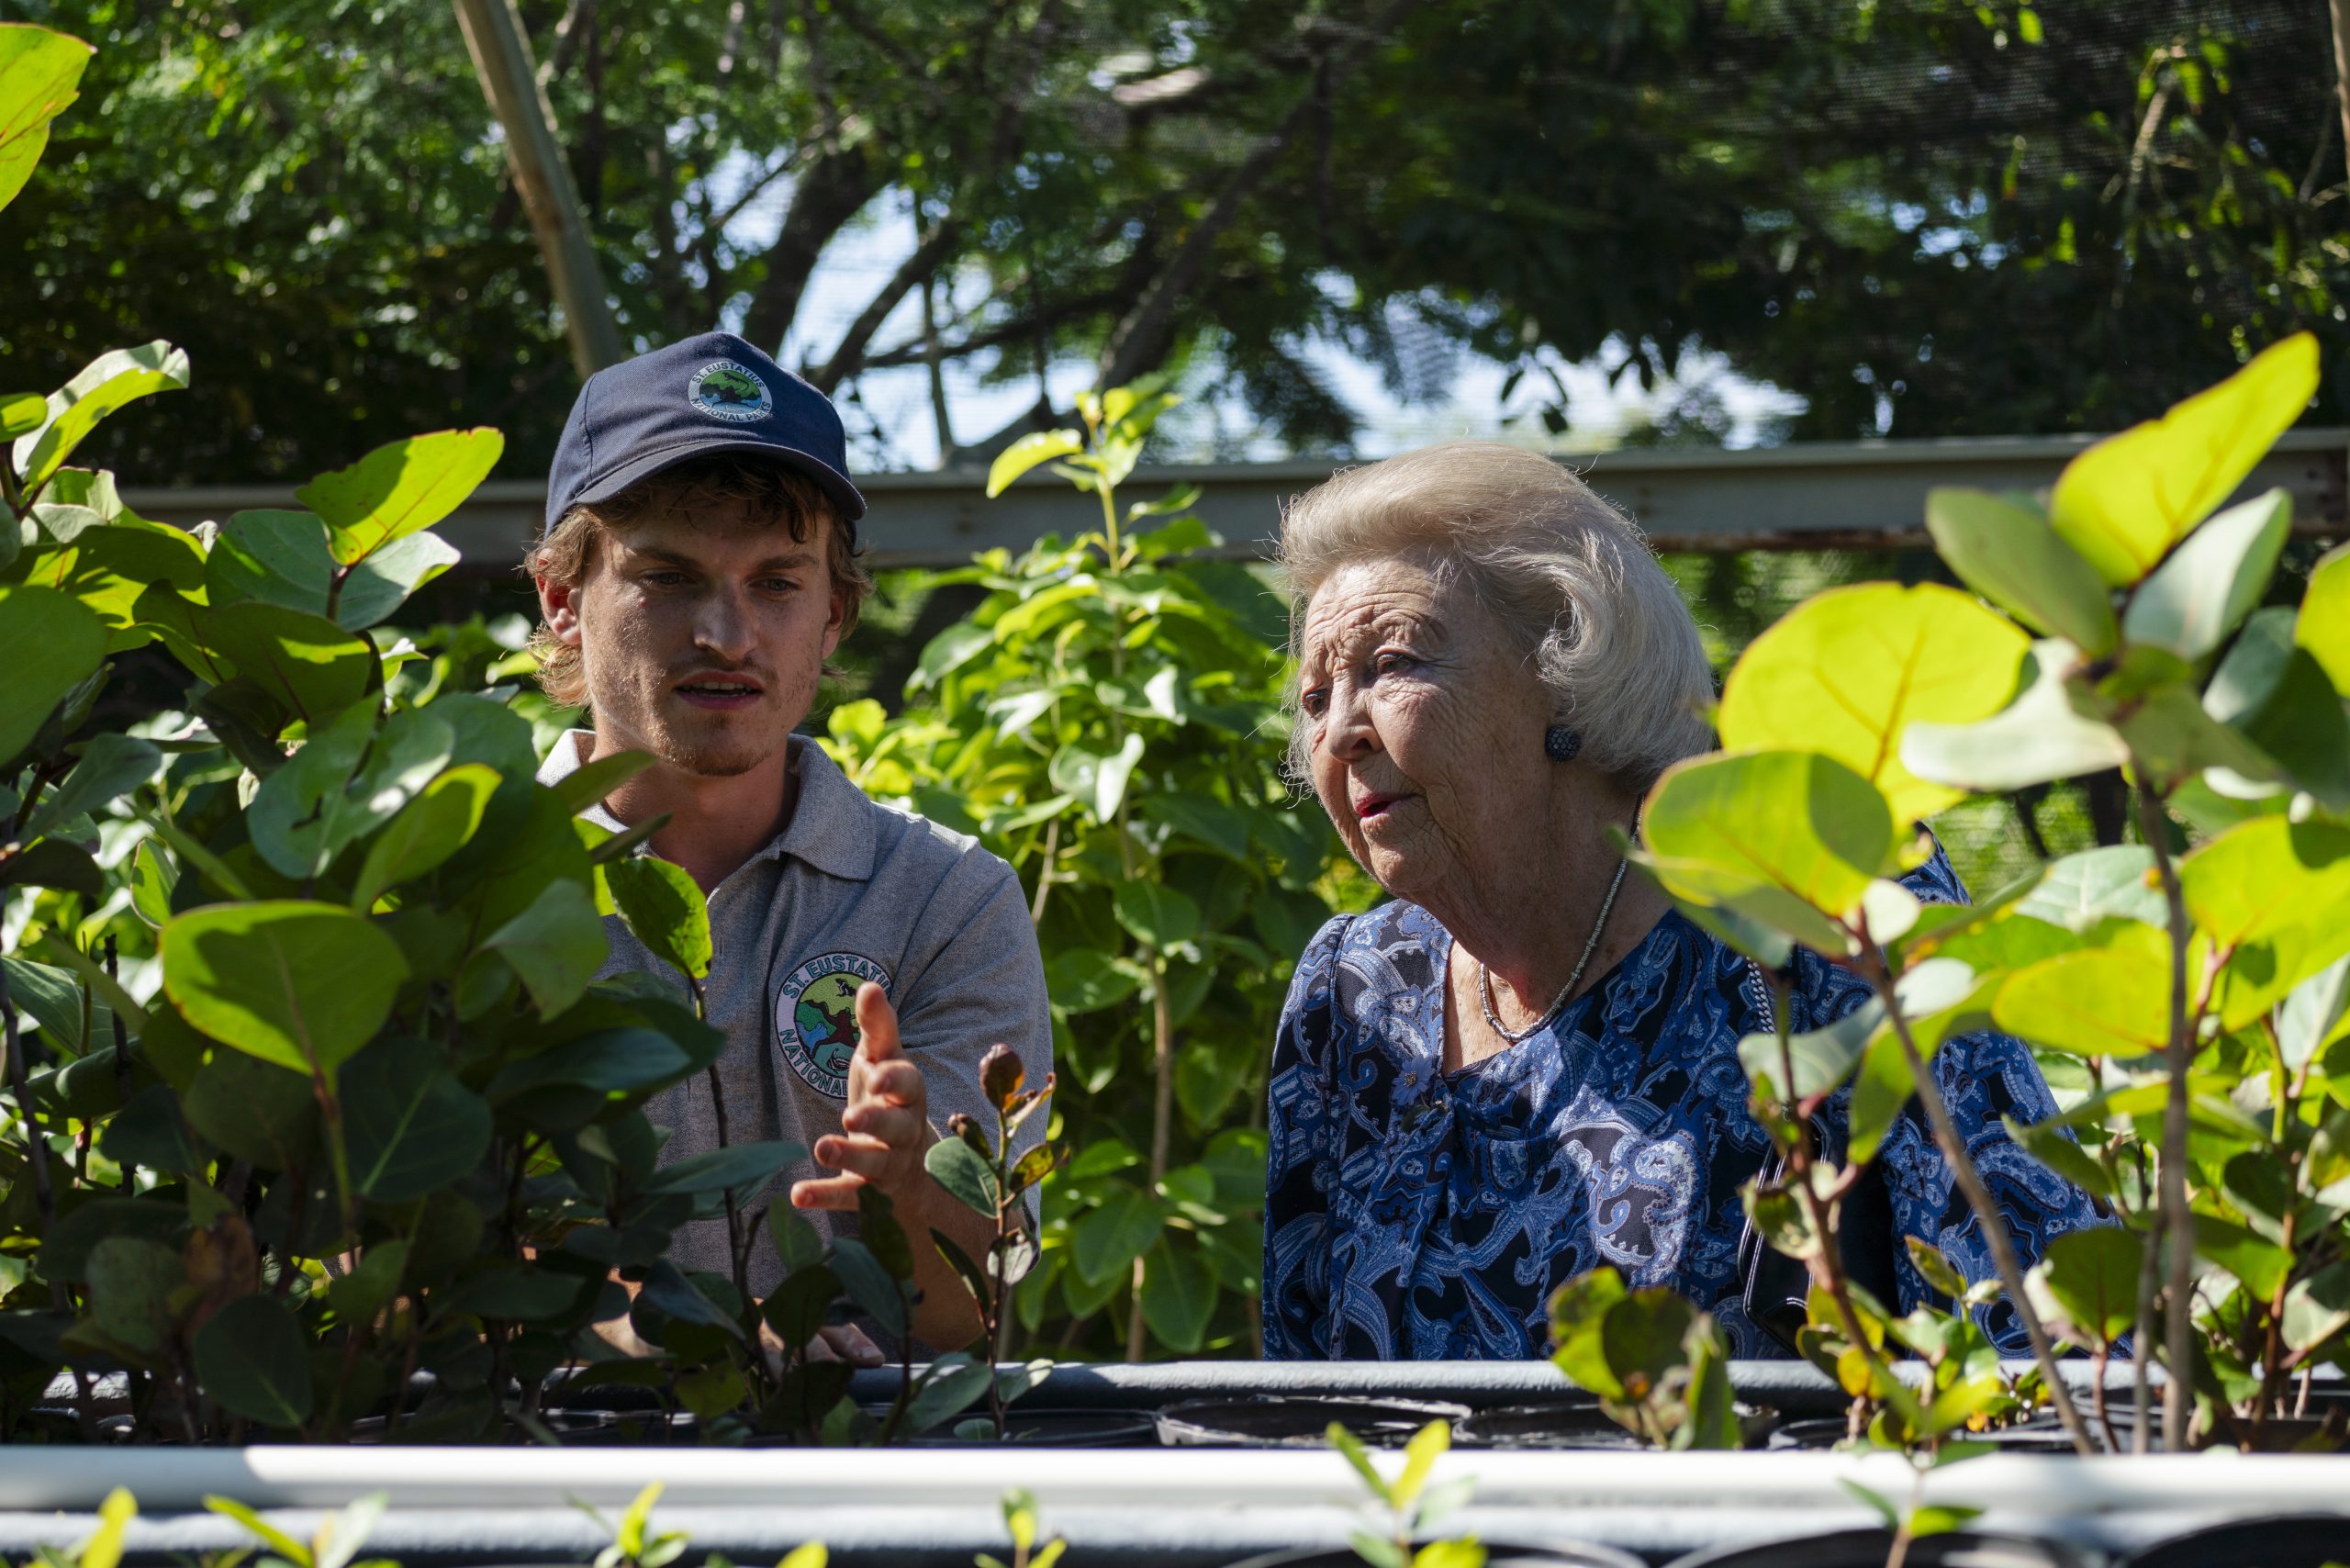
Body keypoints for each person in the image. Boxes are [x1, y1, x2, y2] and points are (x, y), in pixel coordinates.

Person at [1261, 441, 2102, 1361]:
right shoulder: (1353, 993)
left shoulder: (1825, 904)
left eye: (1392, 663)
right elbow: (1293, 1379)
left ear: (1562, 667)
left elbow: (2041, 1342)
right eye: (1316, 697)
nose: (1338, 732)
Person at [527, 331, 1051, 1357]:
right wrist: (672, 1351)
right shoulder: (460, 892)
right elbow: (392, 1263)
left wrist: (907, 1182)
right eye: (666, 576)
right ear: (561, 602)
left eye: (777, 583)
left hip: (867, 1457)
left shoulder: (948, 900)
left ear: (834, 615)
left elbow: (968, 1324)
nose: (727, 634)